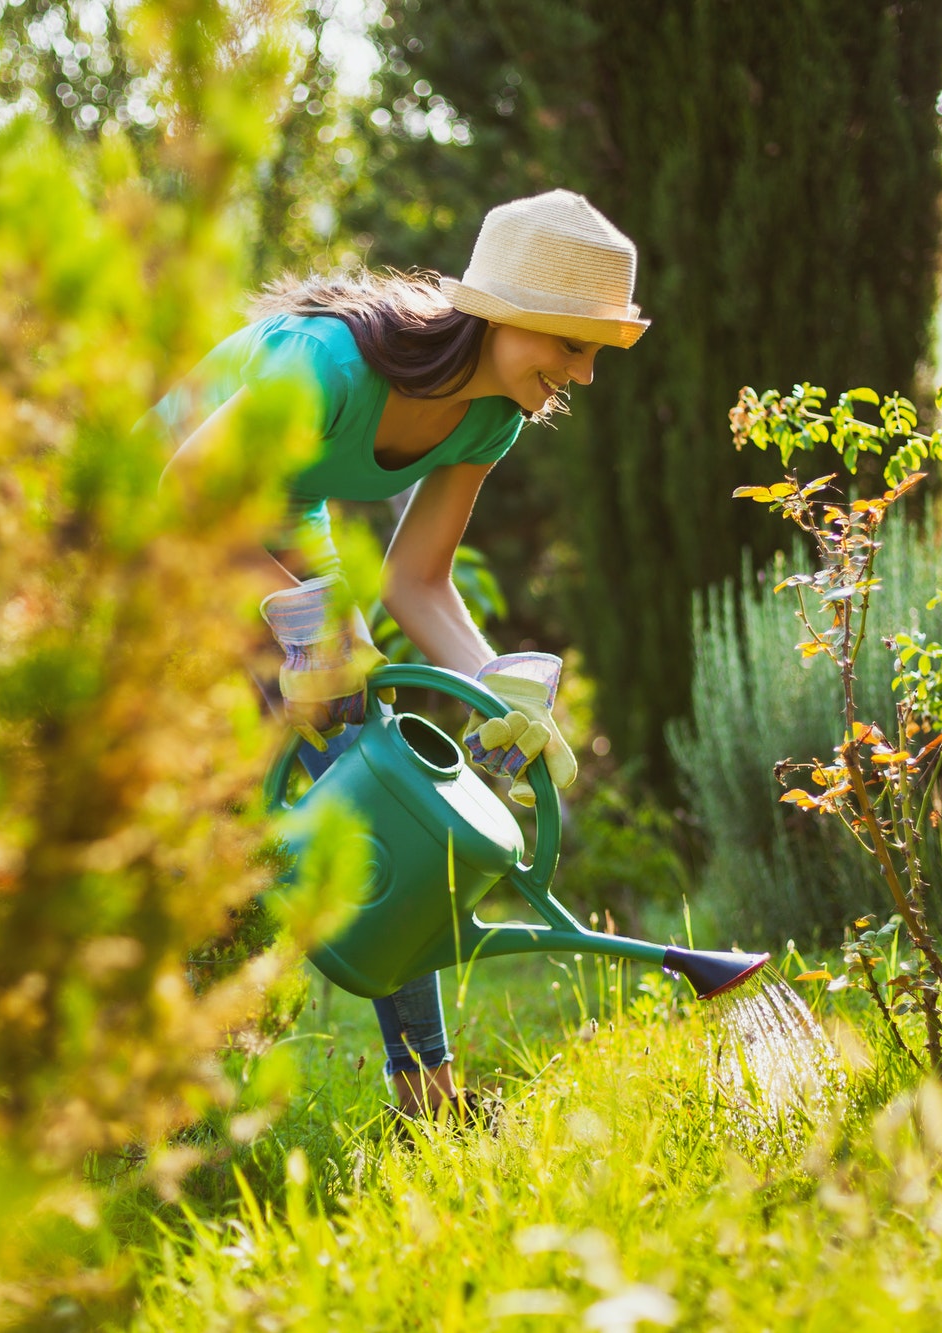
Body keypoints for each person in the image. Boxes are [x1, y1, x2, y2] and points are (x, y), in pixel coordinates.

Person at [156, 190, 648, 1122]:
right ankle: (159, 1091)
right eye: (572, 347)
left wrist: (503, 687)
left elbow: (415, 582)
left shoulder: (489, 416)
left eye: (593, 355)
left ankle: (425, 1097)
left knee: (386, 784)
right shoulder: (334, 363)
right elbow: (184, 490)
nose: (583, 376)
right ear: (509, 317)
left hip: (274, 528)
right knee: (218, 790)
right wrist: (301, 615)